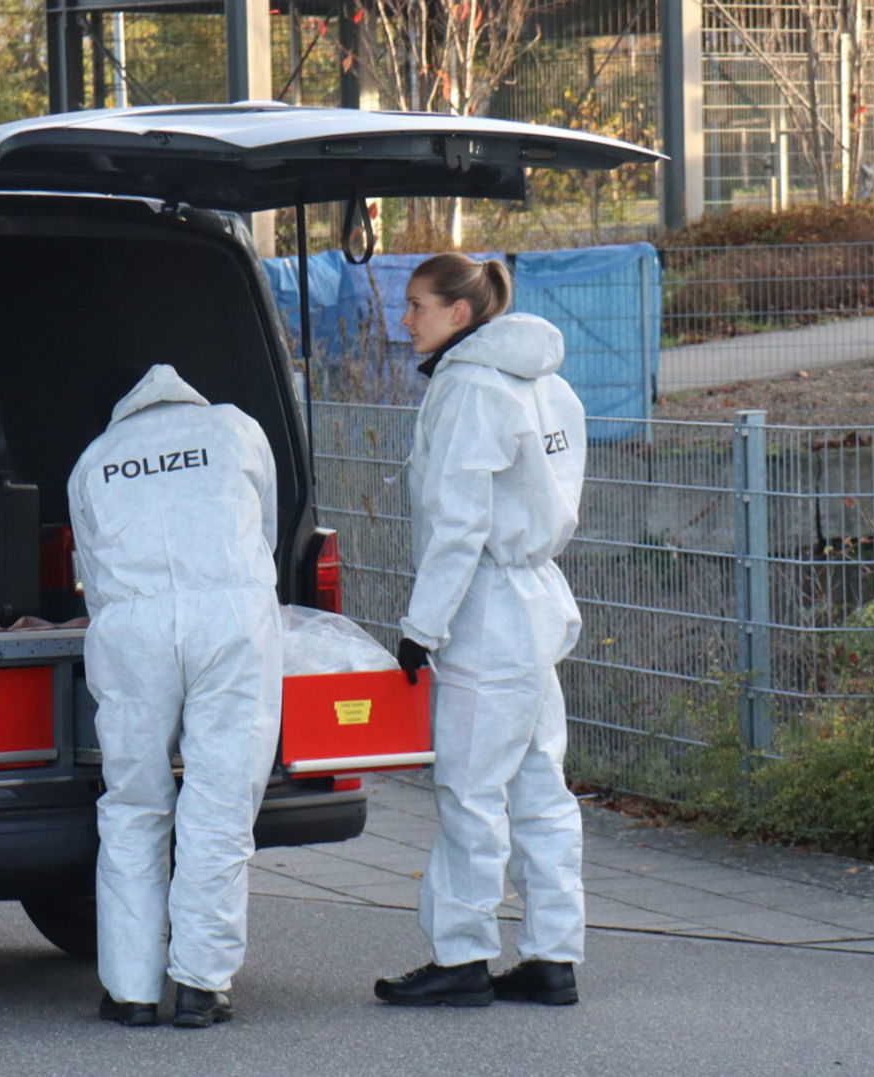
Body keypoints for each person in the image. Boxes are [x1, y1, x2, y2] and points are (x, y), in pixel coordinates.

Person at [374, 253, 588, 1008]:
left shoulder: (467, 388)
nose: (406, 320)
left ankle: (462, 954)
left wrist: (420, 626)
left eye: (417, 305)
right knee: (540, 787)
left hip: (487, 610)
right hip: (538, 600)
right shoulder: (545, 383)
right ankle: (553, 955)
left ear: (459, 314)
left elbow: (458, 524)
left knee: (469, 788)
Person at [67, 363, 283, 1029]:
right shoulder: (235, 430)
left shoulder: (95, 460)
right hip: (232, 620)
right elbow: (265, 531)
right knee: (219, 801)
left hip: (133, 627)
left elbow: (90, 570)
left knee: (133, 803)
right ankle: (201, 983)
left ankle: (130, 990)